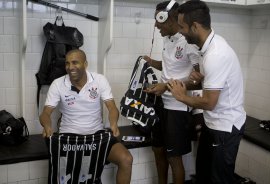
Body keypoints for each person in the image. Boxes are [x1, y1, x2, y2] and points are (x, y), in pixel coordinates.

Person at [167, 1, 246, 183]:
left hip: (225, 128)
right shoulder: (207, 47)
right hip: (213, 125)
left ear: (195, 26)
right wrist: (195, 83)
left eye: (182, 26)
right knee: (203, 175)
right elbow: (211, 85)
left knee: (219, 179)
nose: (179, 31)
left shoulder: (216, 54)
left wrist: (181, 97)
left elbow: (210, 102)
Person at [39, 49, 133, 184]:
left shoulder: (99, 80)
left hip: (97, 137)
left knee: (126, 159)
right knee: (67, 177)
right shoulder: (58, 84)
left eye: (75, 63)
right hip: (69, 139)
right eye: (67, 63)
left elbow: (112, 107)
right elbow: (46, 113)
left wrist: (113, 123)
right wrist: (47, 125)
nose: (70, 67)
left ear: (85, 64)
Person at [143, 1, 201, 183]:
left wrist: (166, 86)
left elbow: (198, 80)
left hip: (178, 107)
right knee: (158, 150)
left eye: (158, 20)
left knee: (174, 158)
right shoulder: (168, 38)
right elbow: (171, 67)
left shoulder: (188, 43)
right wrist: (152, 62)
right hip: (162, 103)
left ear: (168, 19)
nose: (155, 25)